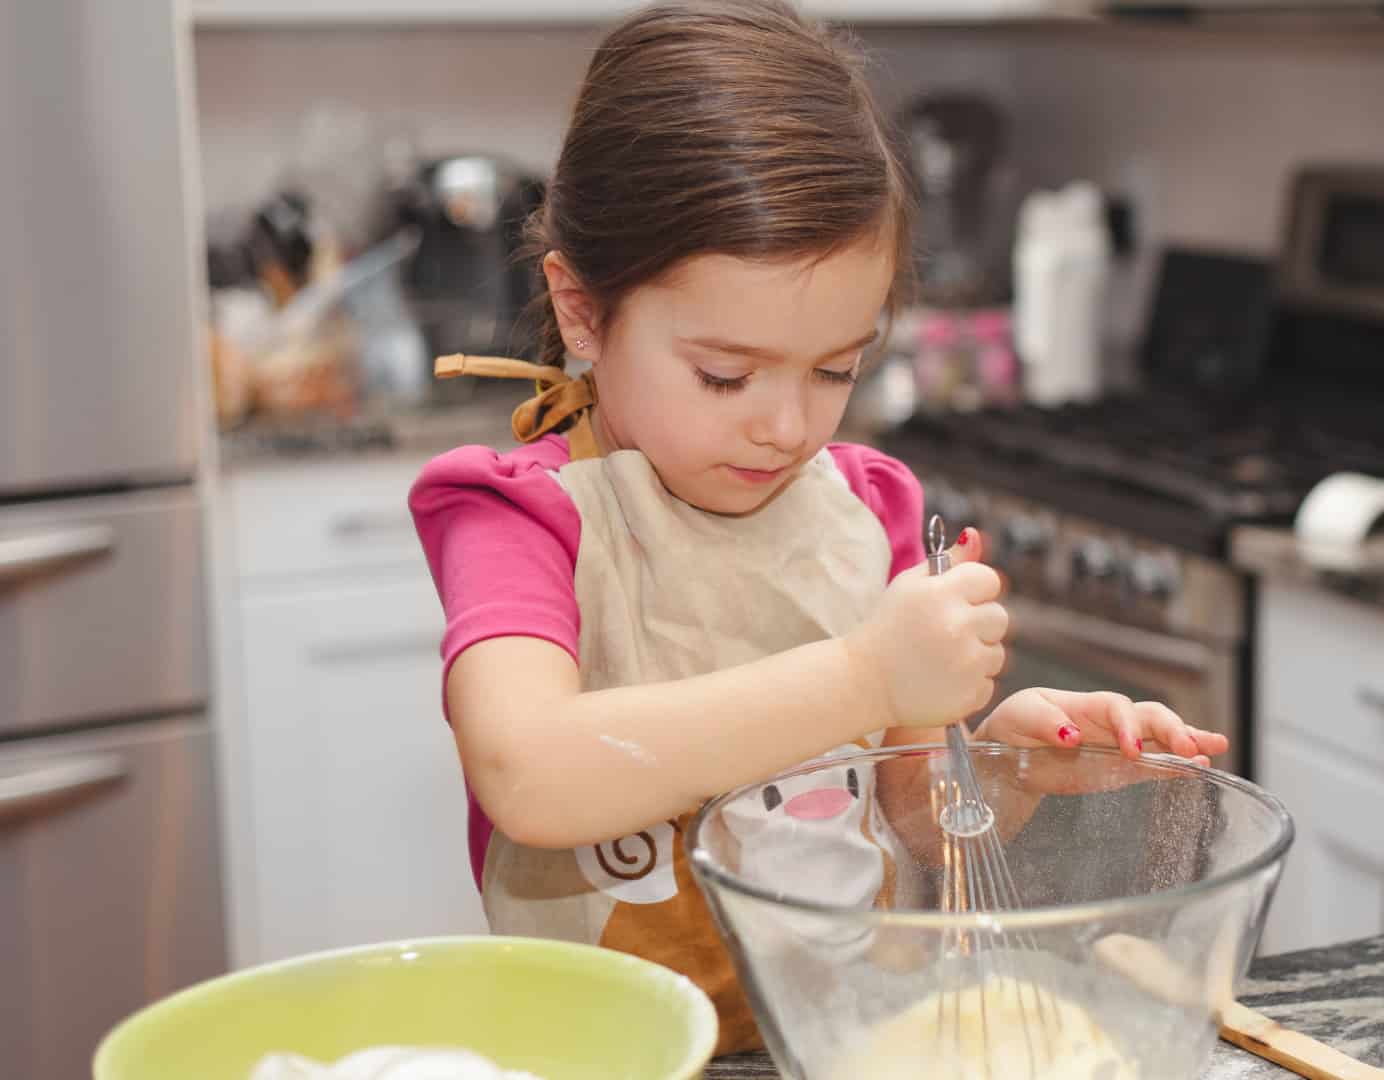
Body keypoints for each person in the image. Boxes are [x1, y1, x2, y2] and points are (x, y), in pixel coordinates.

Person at [408, 0, 1227, 1055]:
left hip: (850, 1044)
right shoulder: (523, 515)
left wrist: (1008, 768)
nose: (787, 425)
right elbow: (533, 775)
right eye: (725, 373)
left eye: (838, 368)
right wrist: (867, 677)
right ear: (582, 311)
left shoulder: (865, 505)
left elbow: (899, 814)